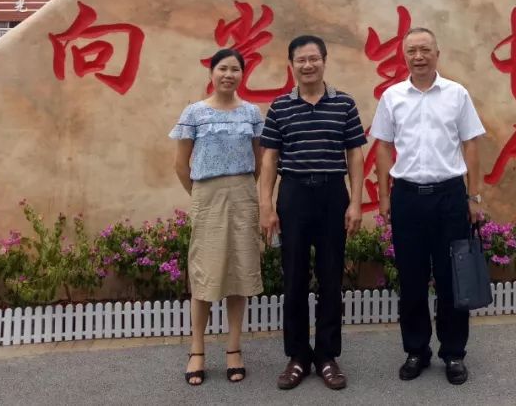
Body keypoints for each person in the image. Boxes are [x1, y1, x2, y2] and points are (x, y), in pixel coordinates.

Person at [371, 27, 486, 386]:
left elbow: (471, 144)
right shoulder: (392, 96)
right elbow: (383, 147)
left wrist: (474, 196)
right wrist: (386, 196)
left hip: (449, 196)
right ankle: (416, 350)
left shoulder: (457, 94)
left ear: (438, 52)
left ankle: (453, 353)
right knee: (412, 279)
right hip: (407, 196)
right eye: (411, 51)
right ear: (403, 56)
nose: (418, 57)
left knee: (453, 280)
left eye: (425, 50)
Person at [259, 35, 367, 391]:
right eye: (300, 60)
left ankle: (326, 356)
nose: (307, 65)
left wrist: (355, 202)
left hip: (333, 194)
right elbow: (270, 159)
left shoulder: (344, 104)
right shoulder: (279, 108)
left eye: (313, 59)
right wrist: (267, 206)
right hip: (294, 195)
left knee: (331, 277)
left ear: (324, 60)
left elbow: (355, 154)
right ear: (291, 65)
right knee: (294, 278)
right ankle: (297, 357)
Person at [172, 48, 265, 386]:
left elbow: (258, 161)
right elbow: (182, 165)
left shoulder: (252, 113)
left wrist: (241, 190)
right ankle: (197, 350)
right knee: (205, 272)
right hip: (206, 196)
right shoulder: (194, 113)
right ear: (211, 73)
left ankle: (234, 348)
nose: (229, 74)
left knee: (240, 271)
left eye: (235, 69)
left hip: (243, 193)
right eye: (223, 68)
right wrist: (200, 195)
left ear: (243, 74)